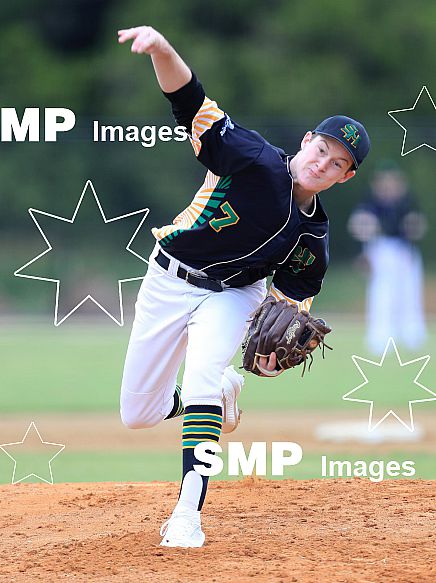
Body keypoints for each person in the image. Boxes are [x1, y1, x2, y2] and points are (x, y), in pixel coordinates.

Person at [118, 25, 370, 548]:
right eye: (322, 149)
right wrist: (162, 49)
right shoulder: (252, 158)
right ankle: (218, 393)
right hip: (169, 277)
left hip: (235, 295)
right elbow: (190, 102)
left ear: (344, 177)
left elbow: (289, 307)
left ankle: (187, 514)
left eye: (337, 164)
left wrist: (275, 356)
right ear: (307, 140)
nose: (322, 163)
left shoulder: (314, 240)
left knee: (202, 376)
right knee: (138, 414)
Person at [348, 162, 426, 353]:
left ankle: (411, 334)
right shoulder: (370, 204)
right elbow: (358, 226)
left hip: (405, 251)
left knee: (409, 292)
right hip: (381, 250)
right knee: (382, 294)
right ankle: (380, 337)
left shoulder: (407, 203)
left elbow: (418, 227)